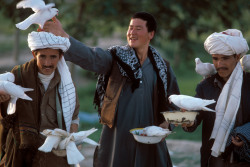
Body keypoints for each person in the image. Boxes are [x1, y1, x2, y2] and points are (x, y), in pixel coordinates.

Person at [43, 12, 180, 167]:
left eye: (138, 28)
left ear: (151, 34)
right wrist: (63, 36)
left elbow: (175, 101)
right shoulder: (115, 58)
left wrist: (167, 125)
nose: (132, 32)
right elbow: (91, 57)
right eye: (130, 28)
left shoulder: (162, 67)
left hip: (150, 139)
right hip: (117, 137)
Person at [0, 31, 80, 167]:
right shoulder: (18, 75)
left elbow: (73, 117)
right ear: (34, 54)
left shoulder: (66, 84)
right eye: (42, 56)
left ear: (60, 56)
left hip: (54, 158)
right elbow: (6, 116)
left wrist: (72, 140)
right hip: (22, 153)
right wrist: (4, 100)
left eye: (53, 57)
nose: (47, 63)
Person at [183, 29, 250, 167]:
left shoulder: (249, 83)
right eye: (215, 58)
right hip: (214, 159)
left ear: (237, 57)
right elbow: (196, 116)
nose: (219, 64)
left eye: (225, 58)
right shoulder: (206, 86)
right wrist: (188, 121)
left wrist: (246, 134)